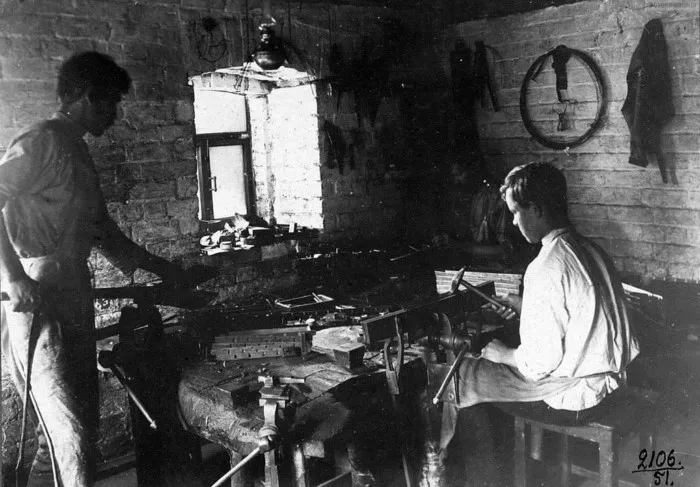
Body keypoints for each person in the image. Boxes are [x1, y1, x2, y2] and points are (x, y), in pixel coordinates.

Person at [0, 51, 188, 486]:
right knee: (67, 433)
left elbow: (103, 231)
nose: (116, 114)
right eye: (112, 102)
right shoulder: (42, 140)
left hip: (71, 291)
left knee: (80, 422)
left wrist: (161, 270)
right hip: (37, 294)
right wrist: (13, 277)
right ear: (87, 97)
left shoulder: (75, 148)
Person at [439, 162, 640, 486]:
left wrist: (503, 354)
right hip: (610, 379)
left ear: (536, 209)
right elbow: (582, 311)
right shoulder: (591, 249)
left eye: (515, 213)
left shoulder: (545, 266)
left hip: (575, 396)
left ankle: (484, 479)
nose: (514, 222)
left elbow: (539, 364)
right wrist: (526, 306)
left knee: (463, 377)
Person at [432, 162, 537, 272]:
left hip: (501, 271)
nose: (456, 181)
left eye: (459, 174)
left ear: (473, 170)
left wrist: (459, 246)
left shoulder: (495, 199)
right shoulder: (469, 197)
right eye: (453, 176)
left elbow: (507, 251)